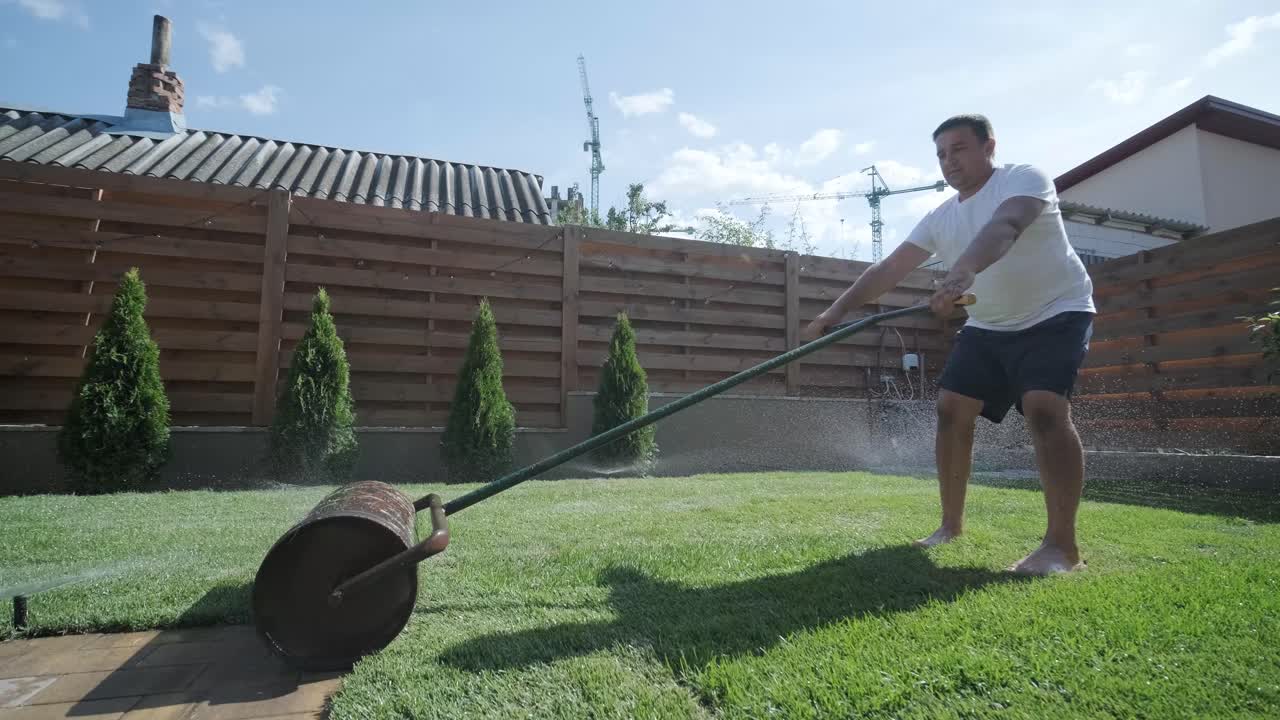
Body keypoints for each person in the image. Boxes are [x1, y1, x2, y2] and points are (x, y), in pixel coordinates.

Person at [800, 114, 1095, 575]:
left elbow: (1006, 227)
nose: (948, 161)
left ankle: (1063, 547)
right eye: (940, 154)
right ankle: (950, 525)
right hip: (989, 324)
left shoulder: (1023, 180)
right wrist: (834, 312)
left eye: (958, 149)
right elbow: (888, 269)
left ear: (988, 146)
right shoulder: (941, 217)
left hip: (1056, 311)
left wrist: (962, 272)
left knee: (1043, 408)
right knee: (951, 408)